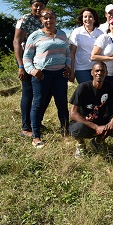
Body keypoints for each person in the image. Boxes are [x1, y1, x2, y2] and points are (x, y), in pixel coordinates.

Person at [23, 9, 71, 149]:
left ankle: (65, 133)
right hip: (42, 75)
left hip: (60, 75)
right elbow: (27, 57)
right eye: (46, 18)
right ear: (41, 20)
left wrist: (68, 66)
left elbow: (67, 52)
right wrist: (32, 70)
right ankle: (36, 136)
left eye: (51, 17)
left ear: (56, 19)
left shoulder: (62, 34)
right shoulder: (35, 35)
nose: (49, 20)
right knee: (38, 104)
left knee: (62, 104)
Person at [68, 61, 113, 158]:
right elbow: (73, 114)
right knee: (77, 129)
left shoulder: (108, 86)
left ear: (106, 73)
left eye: (102, 71)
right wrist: (96, 127)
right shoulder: (83, 87)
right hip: (85, 123)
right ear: (92, 73)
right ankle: (81, 144)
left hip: (101, 121)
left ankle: (98, 141)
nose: (99, 73)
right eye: (97, 71)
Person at [13, 0, 48, 138]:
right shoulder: (25, 19)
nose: (39, 8)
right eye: (36, 5)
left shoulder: (45, 20)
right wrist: (21, 66)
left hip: (41, 61)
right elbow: (17, 41)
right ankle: (26, 127)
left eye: (41, 5)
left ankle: (36, 122)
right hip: (26, 60)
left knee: (41, 93)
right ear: (31, 6)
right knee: (28, 92)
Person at [69, 7, 102, 84]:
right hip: (81, 68)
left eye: (90, 17)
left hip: (97, 68)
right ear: (82, 19)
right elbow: (72, 53)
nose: (88, 19)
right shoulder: (76, 32)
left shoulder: (100, 33)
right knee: (87, 91)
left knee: (97, 92)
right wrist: (72, 71)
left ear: (94, 19)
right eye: (85, 17)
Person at [91, 17, 113, 84]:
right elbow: (93, 57)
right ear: (109, 26)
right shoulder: (104, 38)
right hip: (104, 75)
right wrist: (112, 58)